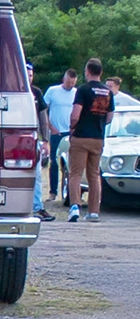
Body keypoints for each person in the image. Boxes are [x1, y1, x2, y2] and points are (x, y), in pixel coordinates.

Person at [68, 58, 114, 222]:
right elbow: (109, 117)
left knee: (75, 173)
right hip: (97, 138)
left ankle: (75, 207)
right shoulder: (108, 92)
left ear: (87, 71)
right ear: (100, 72)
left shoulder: (83, 90)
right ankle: (94, 211)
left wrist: (72, 127)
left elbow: (75, 115)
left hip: (81, 137)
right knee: (94, 175)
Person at [43, 68, 77, 200]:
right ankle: (52, 192)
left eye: (73, 83)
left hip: (70, 132)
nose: (70, 85)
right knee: (55, 162)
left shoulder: (76, 93)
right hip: (56, 132)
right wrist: (50, 126)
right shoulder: (53, 91)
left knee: (70, 163)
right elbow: (43, 110)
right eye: (69, 82)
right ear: (64, 79)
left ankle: (68, 191)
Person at [28, 63, 54, 221]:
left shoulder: (36, 92)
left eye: (31, 75)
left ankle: (37, 207)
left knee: (37, 174)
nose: (29, 78)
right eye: (26, 74)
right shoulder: (14, 90)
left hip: (35, 138)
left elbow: (43, 118)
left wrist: (46, 140)